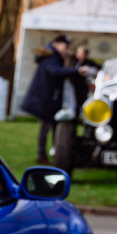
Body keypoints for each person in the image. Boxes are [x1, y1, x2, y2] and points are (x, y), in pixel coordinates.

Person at [20, 34, 89, 164]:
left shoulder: (52, 57)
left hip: (48, 99)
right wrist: (76, 71)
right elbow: (56, 72)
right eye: (65, 47)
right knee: (45, 128)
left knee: (52, 127)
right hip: (45, 99)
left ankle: (55, 153)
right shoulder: (51, 58)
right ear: (57, 44)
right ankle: (43, 155)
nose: (66, 50)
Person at [69, 45, 101, 111]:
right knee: (73, 102)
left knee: (82, 101)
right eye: (78, 52)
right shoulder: (73, 60)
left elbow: (98, 67)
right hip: (72, 84)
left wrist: (90, 71)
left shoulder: (88, 62)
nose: (78, 54)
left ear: (85, 54)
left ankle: (82, 116)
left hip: (83, 85)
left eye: (80, 52)